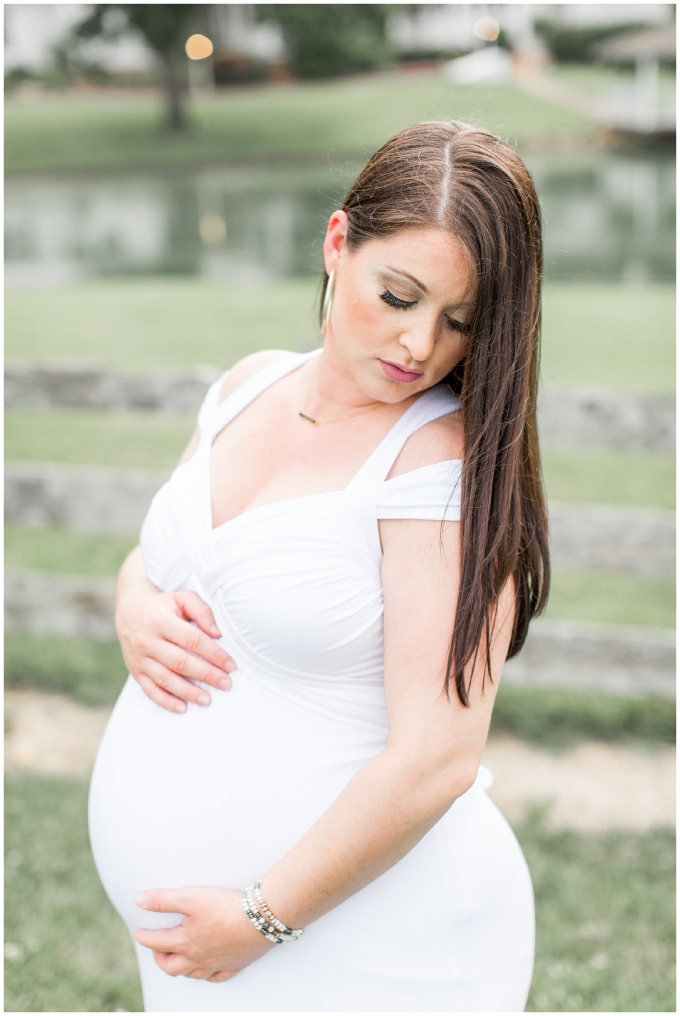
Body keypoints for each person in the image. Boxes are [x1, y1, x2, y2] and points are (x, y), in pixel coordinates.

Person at [89, 119, 549, 1012]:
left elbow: (437, 758)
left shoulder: (439, 472)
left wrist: (262, 919)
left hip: (364, 943)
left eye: (459, 321)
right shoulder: (247, 384)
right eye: (399, 295)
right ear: (339, 244)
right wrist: (131, 600)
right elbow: (172, 560)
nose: (420, 346)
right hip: (207, 950)